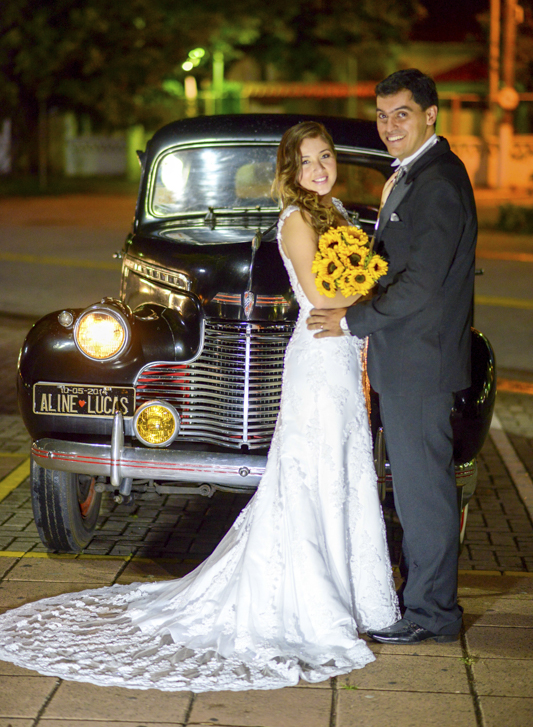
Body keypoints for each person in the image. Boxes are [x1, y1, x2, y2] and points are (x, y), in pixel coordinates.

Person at [0, 121, 399, 691]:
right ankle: (311, 595)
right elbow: (320, 295)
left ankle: (347, 589)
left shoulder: (335, 214)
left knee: (337, 474)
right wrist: (376, 294)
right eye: (307, 161)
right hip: (321, 349)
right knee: (312, 477)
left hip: (335, 355)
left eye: (326, 157)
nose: (319, 168)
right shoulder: (296, 221)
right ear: (289, 172)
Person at [307, 69, 477, 644]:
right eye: (381, 116)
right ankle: (424, 602)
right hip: (407, 358)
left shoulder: (438, 182)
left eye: (400, 113)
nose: (388, 126)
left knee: (422, 490)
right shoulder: (412, 175)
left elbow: (421, 284)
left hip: (421, 363)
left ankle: (433, 614)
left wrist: (352, 319)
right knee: (411, 486)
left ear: (431, 114)